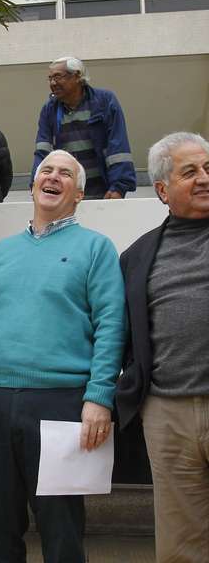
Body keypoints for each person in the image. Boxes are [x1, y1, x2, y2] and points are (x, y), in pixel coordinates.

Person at [0, 150, 126, 563]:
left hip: (62, 402)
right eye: (45, 170)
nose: (53, 177)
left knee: (61, 527)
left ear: (79, 193)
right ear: (32, 185)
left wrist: (99, 397)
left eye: (65, 173)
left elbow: (111, 325)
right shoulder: (0, 252)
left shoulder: (96, 248)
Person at [116, 132, 209, 563]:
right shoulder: (136, 256)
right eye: (190, 172)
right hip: (167, 415)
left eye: (208, 168)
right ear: (162, 190)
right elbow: (120, 334)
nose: (204, 178)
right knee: (180, 545)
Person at [31, 56, 136, 199]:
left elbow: (118, 147)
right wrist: (35, 184)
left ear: (77, 76)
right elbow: (43, 152)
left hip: (103, 191)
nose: (53, 83)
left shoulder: (105, 101)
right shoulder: (50, 109)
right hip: (65, 193)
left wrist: (118, 187)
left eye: (58, 77)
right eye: (50, 78)